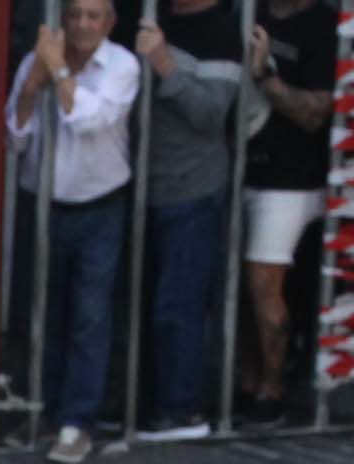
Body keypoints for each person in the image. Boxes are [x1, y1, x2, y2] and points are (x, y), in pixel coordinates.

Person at [9, 0, 136, 460]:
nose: (82, 24)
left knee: (90, 314)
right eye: (75, 14)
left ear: (110, 23)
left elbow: (88, 121)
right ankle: (42, 410)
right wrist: (31, 86)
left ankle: (77, 420)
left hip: (99, 206)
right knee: (43, 310)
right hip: (43, 204)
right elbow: (14, 136)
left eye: (93, 16)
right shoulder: (35, 60)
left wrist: (57, 71)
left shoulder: (122, 65)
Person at [131, 0, 248, 439]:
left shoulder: (221, 34)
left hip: (192, 188)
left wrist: (164, 64)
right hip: (141, 185)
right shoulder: (148, 16)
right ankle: (142, 403)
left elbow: (211, 114)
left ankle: (180, 410)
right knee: (142, 305)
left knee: (177, 306)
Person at [235, 0, 338, 420]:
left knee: (264, 285)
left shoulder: (324, 26)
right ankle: (245, 382)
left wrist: (265, 76)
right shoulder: (247, 11)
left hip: (292, 180)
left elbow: (315, 114)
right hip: (237, 166)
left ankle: (272, 391)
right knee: (238, 289)